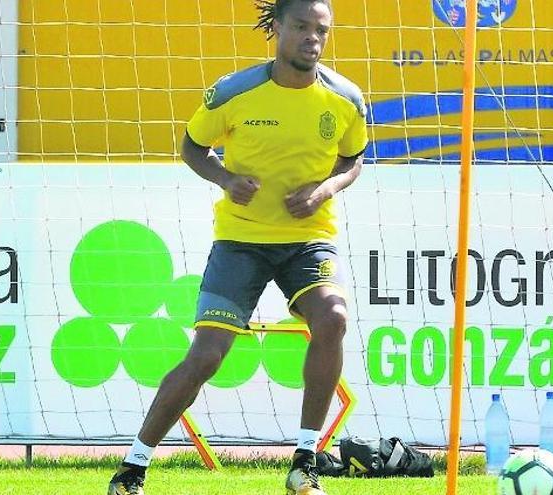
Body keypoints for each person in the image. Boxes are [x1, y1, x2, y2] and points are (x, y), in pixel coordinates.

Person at [107, 0, 367, 494]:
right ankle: (132, 469)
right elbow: (191, 146)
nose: (312, 38)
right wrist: (226, 178)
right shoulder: (235, 91)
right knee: (207, 355)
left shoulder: (346, 99)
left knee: (333, 317)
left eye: (322, 30)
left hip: (306, 241)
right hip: (240, 242)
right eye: (301, 27)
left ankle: (304, 463)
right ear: (277, 29)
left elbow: (352, 160)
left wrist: (324, 191)